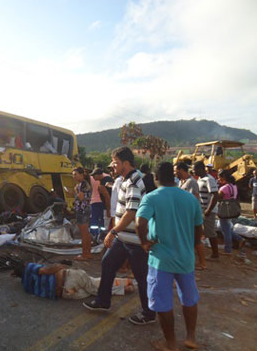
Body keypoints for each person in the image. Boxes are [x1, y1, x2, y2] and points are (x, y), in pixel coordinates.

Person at [83, 147, 156, 326]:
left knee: (141, 276)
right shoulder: (124, 179)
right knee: (107, 263)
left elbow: (131, 212)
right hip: (124, 238)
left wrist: (113, 231)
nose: (112, 166)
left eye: (115, 162)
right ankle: (103, 301)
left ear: (126, 163)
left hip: (135, 240)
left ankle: (149, 313)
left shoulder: (133, 181)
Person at [136, 162, 202, 351]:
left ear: (156, 178)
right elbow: (199, 228)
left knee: (162, 301)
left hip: (161, 259)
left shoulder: (152, 197)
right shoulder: (191, 199)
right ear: (173, 177)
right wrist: (192, 245)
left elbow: (140, 224)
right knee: (189, 298)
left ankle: (170, 343)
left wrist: (144, 243)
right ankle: (191, 338)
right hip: (185, 258)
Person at [12, 262, 135, 300]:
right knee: (95, 287)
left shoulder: (26, 286)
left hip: (67, 294)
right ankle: (126, 285)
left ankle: (124, 286)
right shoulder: (29, 267)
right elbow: (46, 271)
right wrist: (59, 267)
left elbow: (52, 292)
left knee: (94, 285)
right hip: (69, 278)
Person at [175, 162, 206, 270]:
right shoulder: (181, 182)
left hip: (191, 216)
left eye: (176, 171)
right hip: (184, 216)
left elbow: (194, 199)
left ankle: (202, 263)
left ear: (181, 170)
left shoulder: (191, 182)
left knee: (196, 240)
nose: (175, 173)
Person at [194, 161, 219, 260]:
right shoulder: (200, 179)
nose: (194, 172)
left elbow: (215, 195)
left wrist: (208, 210)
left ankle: (215, 254)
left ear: (201, 169)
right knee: (199, 230)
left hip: (208, 210)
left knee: (210, 232)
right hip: (201, 209)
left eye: (195, 170)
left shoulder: (209, 179)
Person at [217, 170, 245, 256]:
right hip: (231, 210)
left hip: (224, 210)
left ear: (224, 178)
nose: (218, 179)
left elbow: (217, 198)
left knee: (226, 230)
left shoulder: (224, 188)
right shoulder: (234, 186)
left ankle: (228, 249)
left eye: (219, 177)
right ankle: (239, 239)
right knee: (224, 227)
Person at [70, 167, 93, 261]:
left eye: (75, 174)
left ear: (81, 174)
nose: (74, 177)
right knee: (86, 233)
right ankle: (88, 253)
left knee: (84, 233)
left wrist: (73, 193)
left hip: (82, 209)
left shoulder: (82, 184)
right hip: (86, 209)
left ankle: (85, 254)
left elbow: (81, 197)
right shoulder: (84, 184)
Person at [89, 168, 111, 238]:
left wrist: (108, 210)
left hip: (102, 204)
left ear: (98, 175)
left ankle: (98, 236)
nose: (93, 177)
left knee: (98, 220)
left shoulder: (103, 182)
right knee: (103, 221)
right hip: (105, 204)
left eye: (94, 175)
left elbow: (107, 196)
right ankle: (102, 235)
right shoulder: (108, 178)